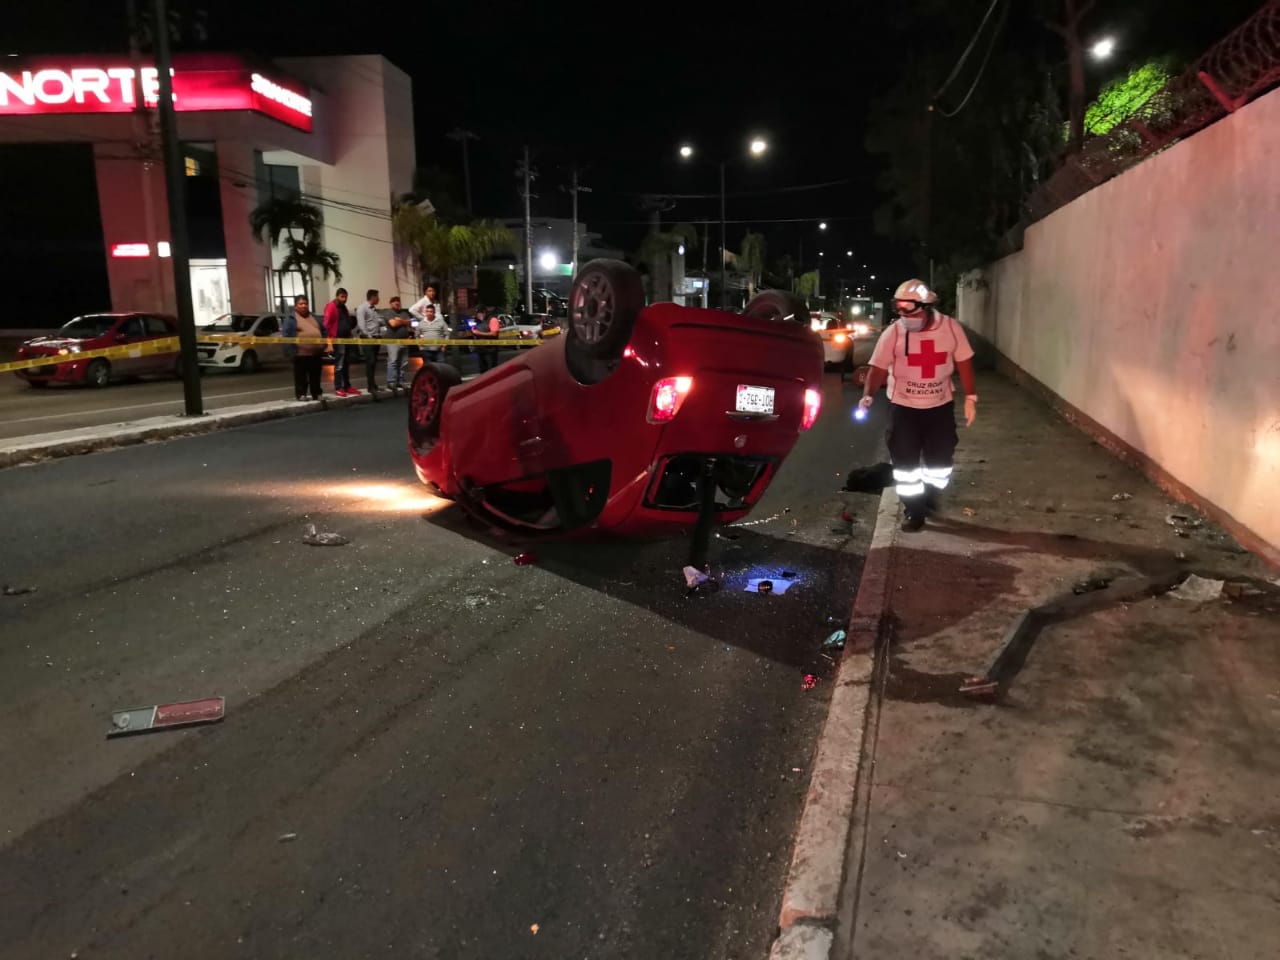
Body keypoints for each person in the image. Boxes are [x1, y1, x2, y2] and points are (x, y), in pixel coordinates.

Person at [858, 279, 978, 532]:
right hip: (903, 409)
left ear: (926, 306)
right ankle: (914, 510)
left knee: (941, 461)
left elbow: (964, 362)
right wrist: (868, 395)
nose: (904, 316)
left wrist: (971, 397)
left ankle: (931, 495)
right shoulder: (894, 333)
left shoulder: (950, 328)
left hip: (939, 408)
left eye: (909, 309)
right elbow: (878, 368)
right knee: (905, 467)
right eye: (899, 309)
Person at [283, 294, 324, 401]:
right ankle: (301, 394)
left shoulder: (314, 317)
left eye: (305, 303)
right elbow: (286, 336)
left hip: (315, 353)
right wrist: (290, 351)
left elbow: (323, 330)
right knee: (301, 376)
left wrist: (324, 345)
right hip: (300, 354)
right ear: (296, 306)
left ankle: (317, 393)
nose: (303, 306)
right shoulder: (291, 319)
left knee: (315, 375)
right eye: (301, 304)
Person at [323, 287, 356, 397]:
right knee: (339, 365)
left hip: (346, 339)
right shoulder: (331, 306)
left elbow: (346, 322)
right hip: (337, 339)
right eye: (342, 297)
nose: (344, 299)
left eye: (345, 297)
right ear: (337, 296)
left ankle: (347, 386)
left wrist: (350, 334)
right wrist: (329, 342)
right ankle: (338, 387)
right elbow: (326, 324)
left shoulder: (344, 307)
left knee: (346, 364)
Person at [355, 288, 385, 398]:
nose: (379, 299)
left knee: (374, 362)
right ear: (373, 297)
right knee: (370, 362)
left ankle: (373, 384)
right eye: (377, 296)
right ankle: (370, 386)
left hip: (376, 338)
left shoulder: (374, 309)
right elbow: (361, 325)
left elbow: (379, 321)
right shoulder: (362, 308)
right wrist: (368, 336)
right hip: (368, 339)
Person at [384, 295, 415, 389]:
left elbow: (410, 323)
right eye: (394, 301)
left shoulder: (404, 313)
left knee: (403, 362)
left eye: (398, 301)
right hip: (393, 341)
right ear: (391, 303)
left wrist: (400, 321)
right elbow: (393, 324)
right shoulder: (388, 312)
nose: (397, 303)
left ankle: (400, 381)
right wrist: (403, 321)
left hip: (404, 340)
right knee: (393, 361)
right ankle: (391, 381)